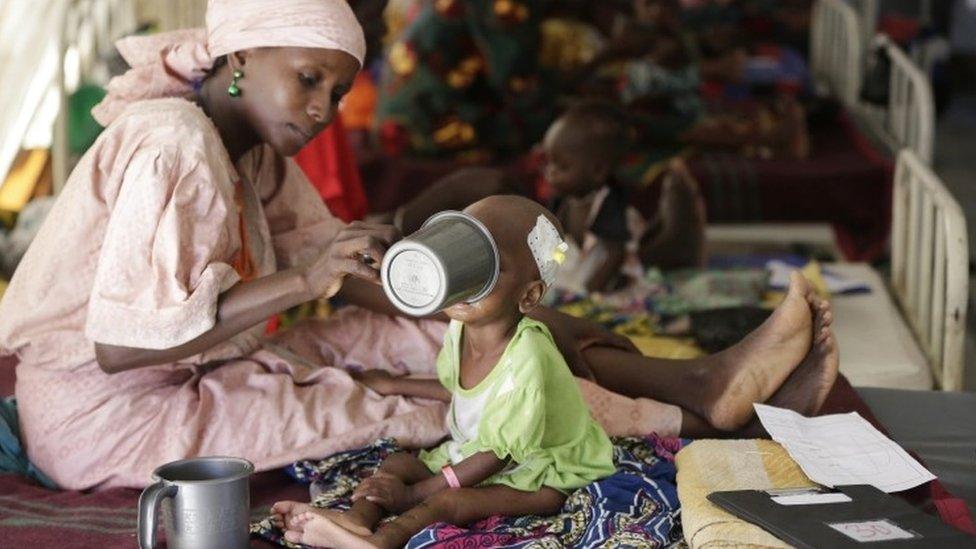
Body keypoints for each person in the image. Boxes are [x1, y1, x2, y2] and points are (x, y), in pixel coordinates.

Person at [0, 0, 836, 492]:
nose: (325, 107)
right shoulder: (173, 143)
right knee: (425, 410)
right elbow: (120, 345)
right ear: (242, 55)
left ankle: (704, 382)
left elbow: (341, 263)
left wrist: (456, 304)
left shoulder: (252, 149)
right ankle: (689, 417)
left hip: (201, 365)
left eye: (338, 88)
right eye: (309, 80)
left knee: (478, 339)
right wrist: (304, 282)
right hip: (109, 416)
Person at [272, 196, 616, 548]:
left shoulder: (528, 356)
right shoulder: (460, 329)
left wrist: (415, 494)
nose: (466, 275)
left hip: (544, 472)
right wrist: (392, 384)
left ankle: (385, 540)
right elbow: (467, 392)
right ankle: (355, 520)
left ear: (528, 296)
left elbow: (498, 455)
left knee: (451, 501)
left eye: (490, 268)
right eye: (463, 255)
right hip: (477, 450)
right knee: (399, 462)